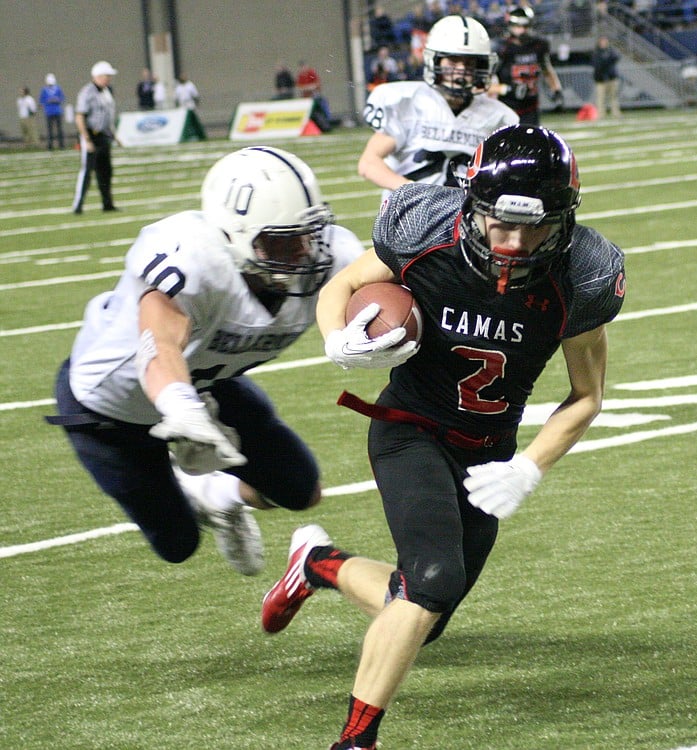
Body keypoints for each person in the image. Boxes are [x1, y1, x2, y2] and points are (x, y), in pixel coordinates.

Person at [260, 124, 626, 750]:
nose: (512, 244)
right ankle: (355, 741)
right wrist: (335, 338)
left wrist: (529, 467)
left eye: (532, 228)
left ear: (563, 219)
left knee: (421, 617)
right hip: (411, 432)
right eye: (500, 225)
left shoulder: (582, 276)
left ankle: (318, 564)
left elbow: (586, 396)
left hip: (489, 456)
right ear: (472, 206)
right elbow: (341, 286)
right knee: (429, 584)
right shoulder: (427, 230)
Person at [47, 146, 365, 576]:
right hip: (107, 410)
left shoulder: (333, 261)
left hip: (205, 385)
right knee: (178, 542)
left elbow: (395, 293)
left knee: (300, 489)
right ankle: (194, 491)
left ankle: (221, 496)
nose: (302, 254)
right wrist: (179, 405)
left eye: (307, 236)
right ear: (233, 235)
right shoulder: (196, 257)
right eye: (280, 241)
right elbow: (158, 341)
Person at [357, 14, 518, 200]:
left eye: (469, 63)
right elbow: (368, 163)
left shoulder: (499, 116)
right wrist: (414, 193)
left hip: (463, 221)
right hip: (409, 219)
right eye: (453, 61)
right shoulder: (409, 102)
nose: (461, 70)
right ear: (435, 61)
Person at [491, 6, 564, 125]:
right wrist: (508, 89)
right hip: (508, 108)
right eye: (518, 26)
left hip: (531, 108)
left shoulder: (539, 45)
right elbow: (484, 85)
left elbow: (546, 69)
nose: (522, 30)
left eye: (525, 26)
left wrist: (556, 90)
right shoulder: (502, 48)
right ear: (510, 26)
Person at [72, 61, 119, 215]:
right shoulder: (87, 92)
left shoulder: (106, 92)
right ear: (97, 76)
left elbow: (107, 116)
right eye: (107, 76)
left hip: (103, 135)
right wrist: (86, 139)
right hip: (90, 134)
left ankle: (108, 204)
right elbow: (80, 117)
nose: (109, 79)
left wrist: (114, 135)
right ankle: (78, 206)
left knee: (106, 171)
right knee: (87, 171)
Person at [592, 34, 622, 118]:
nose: (603, 43)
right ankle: (601, 114)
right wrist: (607, 60)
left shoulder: (610, 51)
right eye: (602, 41)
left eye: (605, 41)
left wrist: (607, 60)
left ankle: (616, 113)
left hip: (612, 77)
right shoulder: (597, 52)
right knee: (601, 98)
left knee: (614, 97)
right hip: (600, 79)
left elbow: (616, 57)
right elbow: (598, 64)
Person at [39, 73, 65, 150]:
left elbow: (62, 98)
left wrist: (57, 100)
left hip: (57, 111)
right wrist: (48, 101)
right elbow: (41, 101)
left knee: (59, 129)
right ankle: (50, 145)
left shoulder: (58, 88)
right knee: (50, 130)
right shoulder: (44, 90)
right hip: (49, 112)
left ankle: (61, 145)